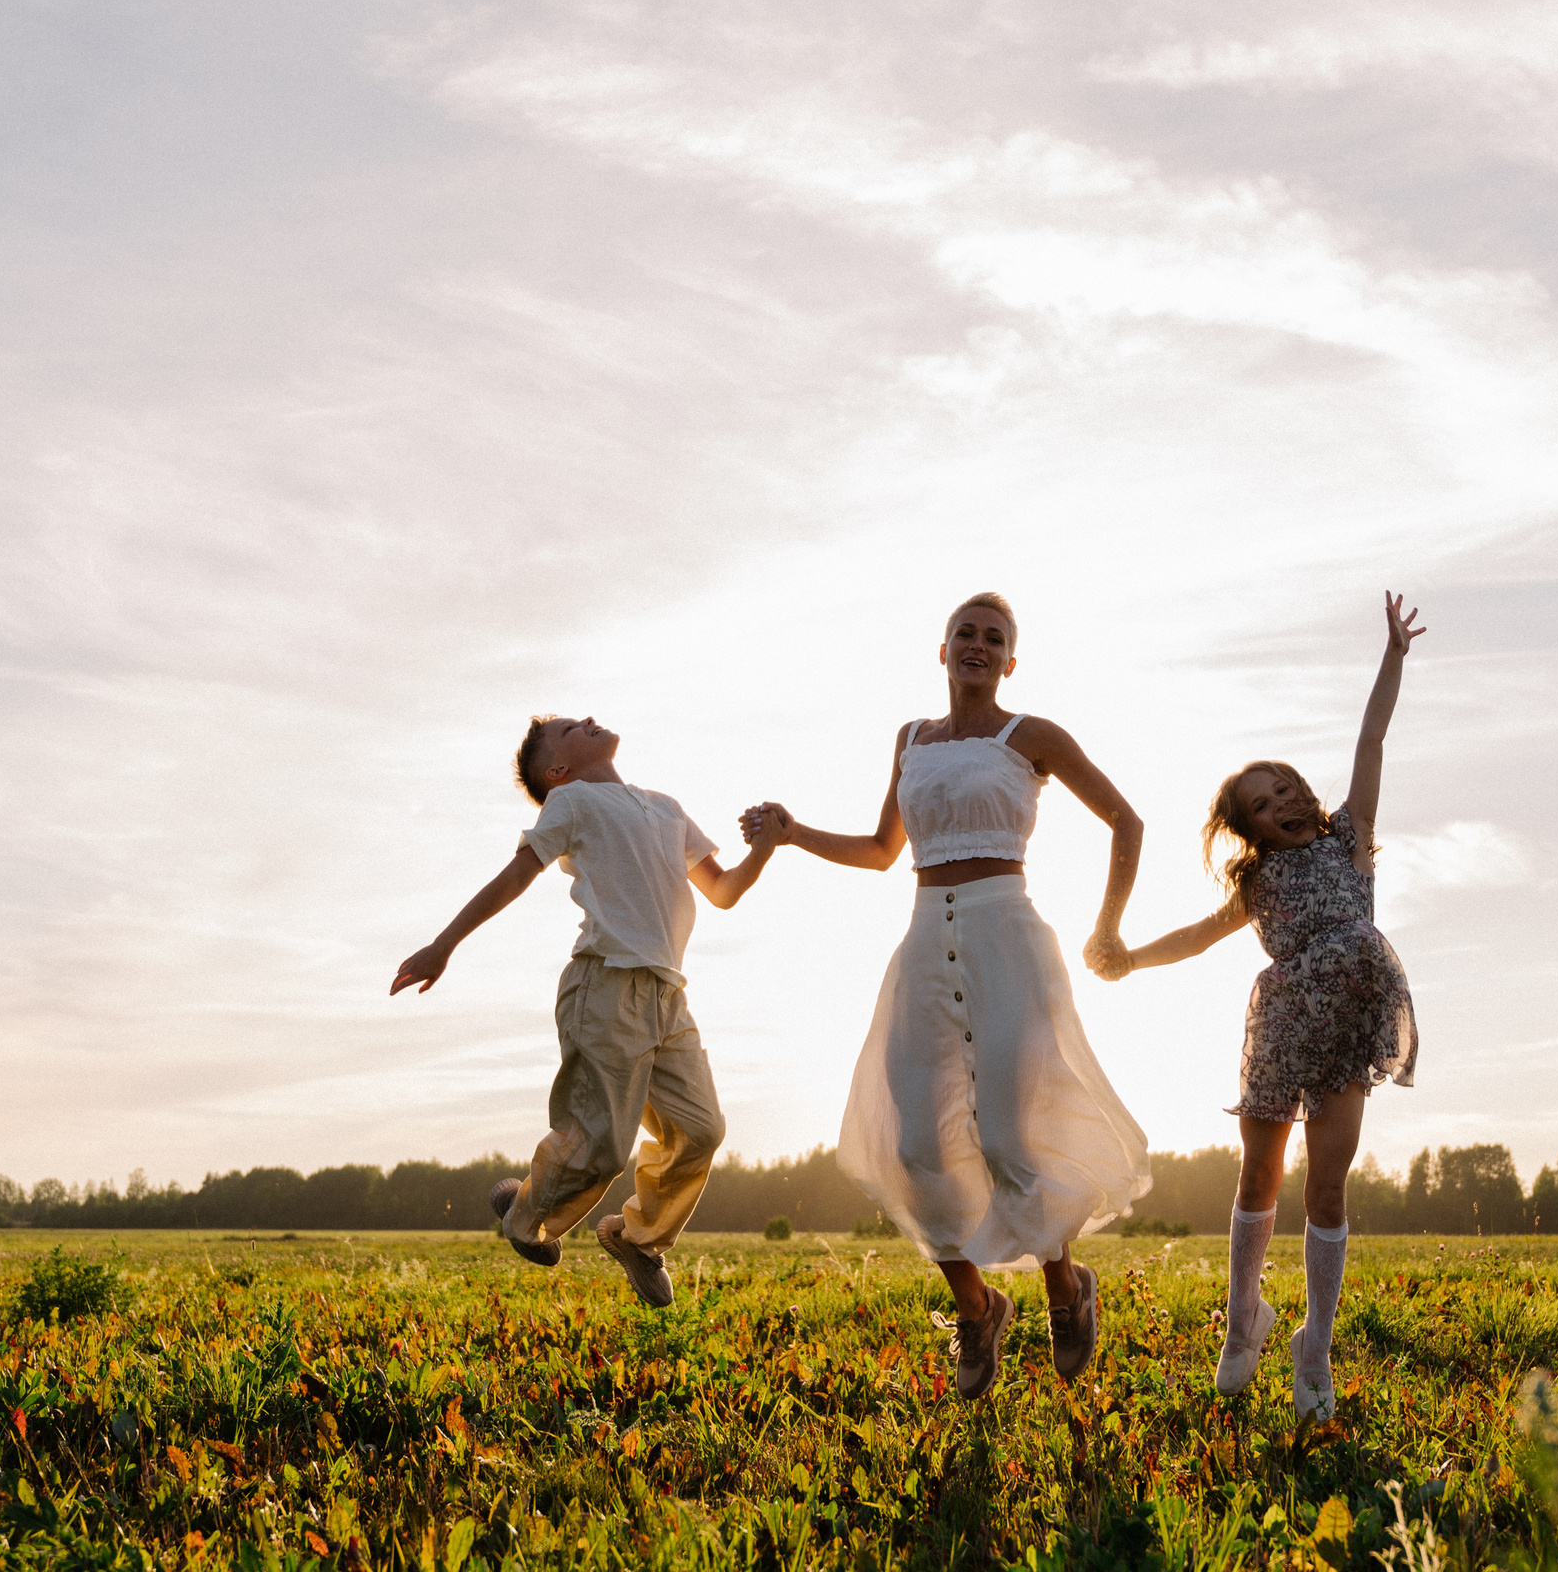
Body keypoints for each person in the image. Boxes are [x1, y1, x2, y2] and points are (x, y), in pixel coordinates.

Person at [741, 593, 1152, 1399]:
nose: (978, 644)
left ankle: (1065, 1290)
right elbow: (880, 849)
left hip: (1010, 940)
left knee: (1008, 1137)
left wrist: (1108, 926)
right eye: (965, 632)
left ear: (1009, 661)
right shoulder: (910, 741)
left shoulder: (1029, 736)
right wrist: (791, 832)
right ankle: (977, 1305)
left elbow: (1125, 820)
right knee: (913, 1146)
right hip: (927, 939)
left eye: (994, 637)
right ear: (942, 650)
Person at [1114, 592, 1425, 1419]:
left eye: (1286, 784)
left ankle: (1313, 1345)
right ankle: (1243, 1317)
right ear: (1247, 829)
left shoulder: (1349, 838)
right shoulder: (1257, 882)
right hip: (1285, 1024)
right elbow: (1198, 936)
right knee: (1259, 1174)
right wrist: (1133, 958)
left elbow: (1372, 739)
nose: (1284, 799)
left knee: (1328, 1192)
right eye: (1263, 799)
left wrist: (1392, 655)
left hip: (1353, 1021)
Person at [391, 715, 774, 1308]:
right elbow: (516, 875)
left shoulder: (665, 807)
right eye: (571, 728)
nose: (589, 721)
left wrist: (765, 850)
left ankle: (637, 1238)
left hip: (668, 995)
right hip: (606, 988)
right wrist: (445, 943)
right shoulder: (570, 802)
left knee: (702, 1129)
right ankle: (524, 1215)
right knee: (602, 1145)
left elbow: (722, 890)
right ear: (557, 771)